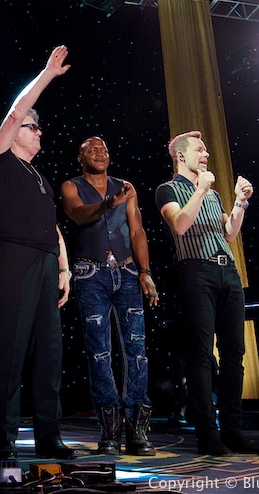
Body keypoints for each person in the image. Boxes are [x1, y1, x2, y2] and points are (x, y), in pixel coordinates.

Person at [0, 45, 76, 461]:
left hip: (44, 263)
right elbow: (16, 112)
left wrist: (65, 269)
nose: (38, 131)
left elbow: (54, 228)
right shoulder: (2, 159)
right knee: (11, 350)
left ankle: (48, 436)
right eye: (33, 126)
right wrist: (45, 74)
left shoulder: (39, 175)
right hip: (15, 259)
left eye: (40, 128)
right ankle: (5, 441)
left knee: (50, 353)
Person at [154, 131, 259, 456]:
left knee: (234, 354)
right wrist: (200, 189)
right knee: (201, 355)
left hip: (226, 271)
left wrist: (239, 202)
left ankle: (232, 428)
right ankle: (207, 434)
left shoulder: (212, 195)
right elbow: (180, 225)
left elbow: (229, 234)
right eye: (200, 150)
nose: (206, 154)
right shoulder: (168, 190)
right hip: (195, 271)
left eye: (206, 149)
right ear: (180, 156)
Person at [61, 136, 158, 456]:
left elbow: (137, 231)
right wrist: (107, 203)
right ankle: (110, 432)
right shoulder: (71, 186)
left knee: (137, 352)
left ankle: (138, 430)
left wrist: (145, 272)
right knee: (99, 354)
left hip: (128, 274)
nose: (100, 154)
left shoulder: (125, 186)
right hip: (91, 275)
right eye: (92, 150)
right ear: (81, 157)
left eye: (104, 149)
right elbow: (77, 215)